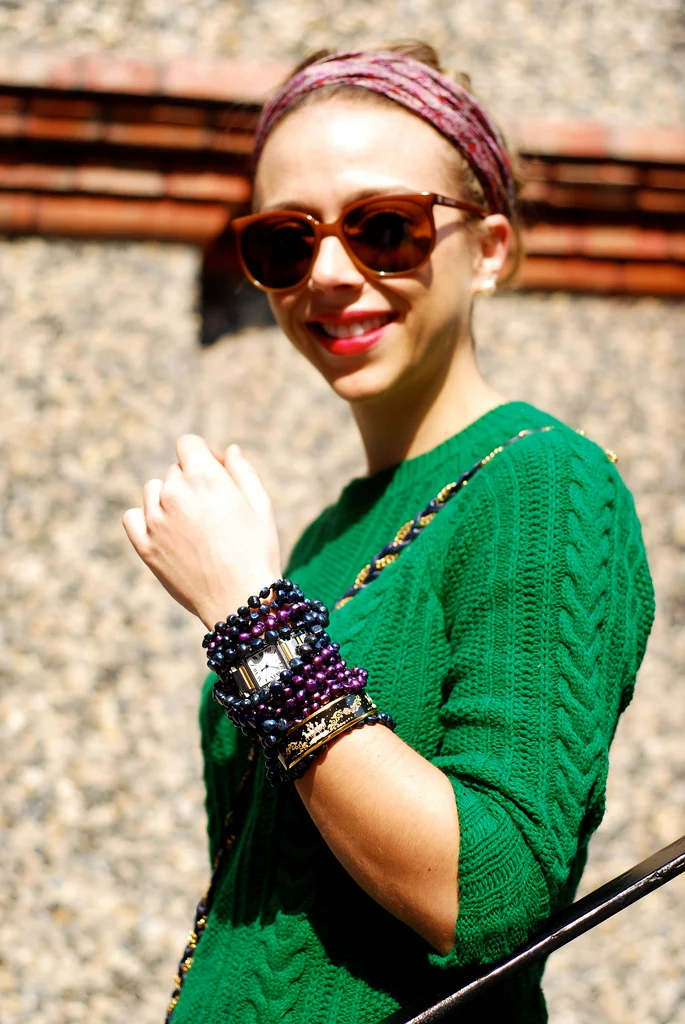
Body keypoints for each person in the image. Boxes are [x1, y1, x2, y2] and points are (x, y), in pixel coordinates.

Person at [123, 42, 655, 1024]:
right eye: (285, 241)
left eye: (385, 227)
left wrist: (252, 619)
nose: (328, 272)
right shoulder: (332, 530)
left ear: (488, 249)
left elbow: (487, 894)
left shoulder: (544, 481)